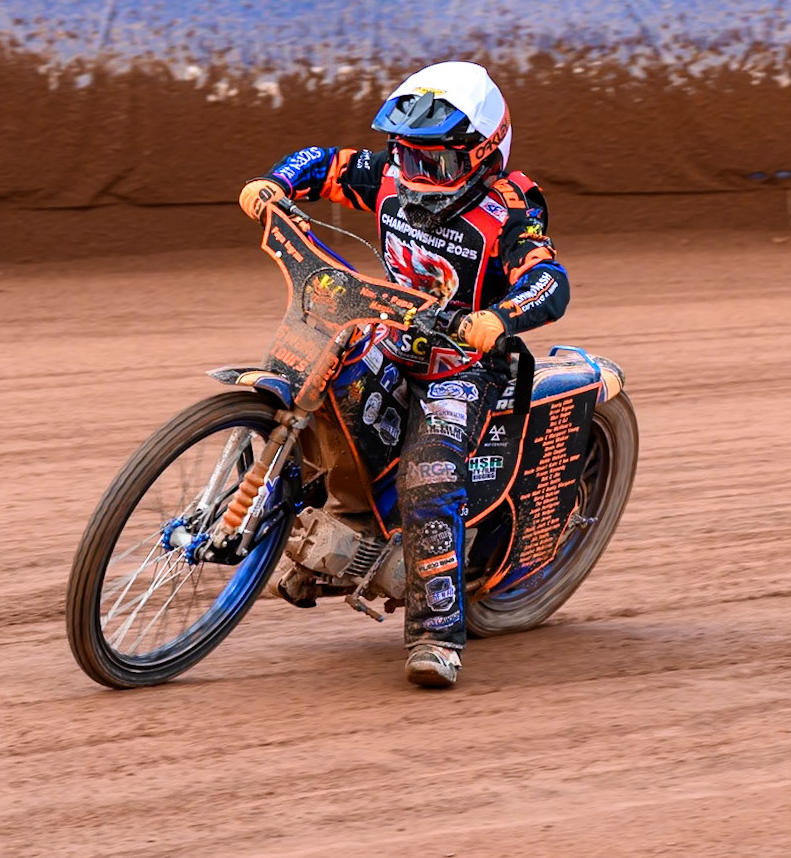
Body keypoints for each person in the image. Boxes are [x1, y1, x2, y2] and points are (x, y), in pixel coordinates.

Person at [237, 62, 570, 687]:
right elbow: (321, 162)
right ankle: (316, 534)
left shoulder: (511, 210)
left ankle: (437, 635)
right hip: (389, 334)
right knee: (315, 386)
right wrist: (275, 184)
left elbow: (549, 280)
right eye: (407, 154)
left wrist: (498, 317)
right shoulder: (392, 174)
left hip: (462, 365)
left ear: (485, 154)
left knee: (428, 476)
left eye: (435, 161)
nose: (417, 174)